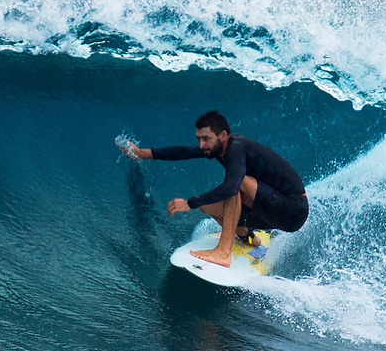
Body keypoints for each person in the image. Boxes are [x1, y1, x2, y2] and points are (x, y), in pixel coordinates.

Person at [121, 110, 309, 268]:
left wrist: (190, 203)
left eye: (206, 139)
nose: (202, 144)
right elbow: (182, 152)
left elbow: (230, 188)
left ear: (223, 136)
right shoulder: (215, 148)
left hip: (293, 210)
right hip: (270, 209)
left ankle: (223, 252)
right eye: (199, 139)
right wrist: (140, 153)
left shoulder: (236, 147)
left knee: (237, 184)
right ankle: (249, 238)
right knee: (209, 207)